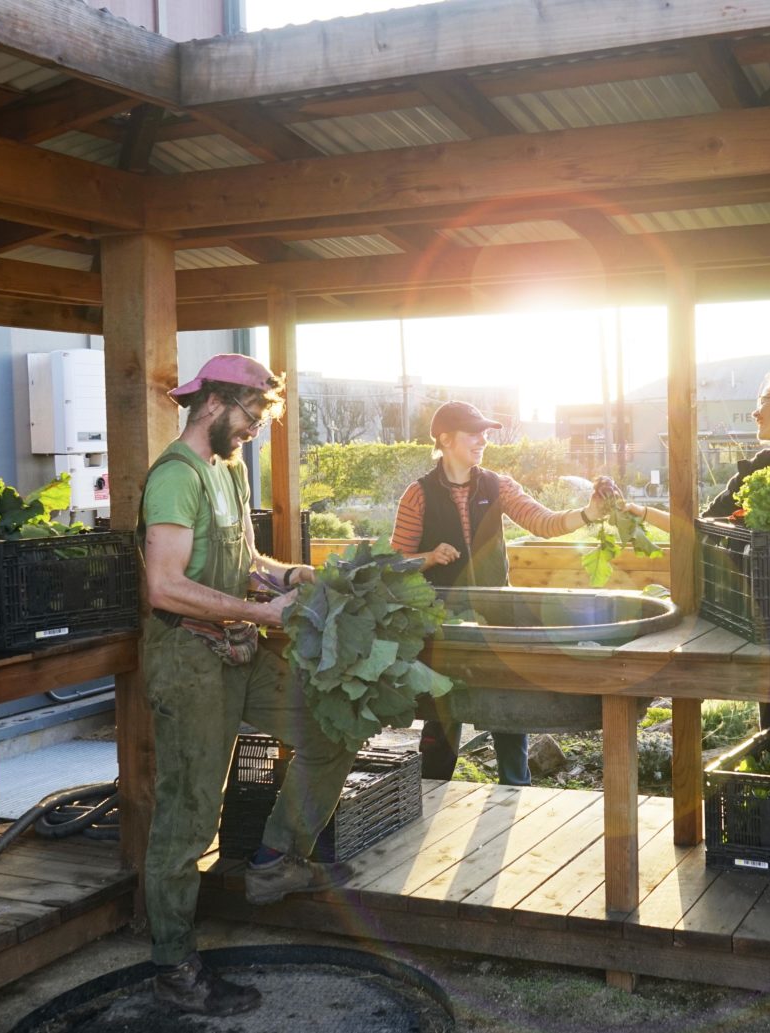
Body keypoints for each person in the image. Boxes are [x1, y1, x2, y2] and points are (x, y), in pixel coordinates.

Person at [141, 354, 357, 1016]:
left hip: (239, 647)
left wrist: (288, 575)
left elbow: (244, 560)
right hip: (189, 658)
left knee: (328, 729)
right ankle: (175, 967)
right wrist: (262, 612)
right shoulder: (175, 478)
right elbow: (165, 584)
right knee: (189, 815)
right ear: (214, 404)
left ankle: (275, 858)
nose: (257, 428)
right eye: (253, 414)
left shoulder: (229, 470)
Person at [621, 374, 770, 736]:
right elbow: (699, 527)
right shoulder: (758, 469)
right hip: (766, 622)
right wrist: (639, 512)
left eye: (762, 401)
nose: (754, 412)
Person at [391, 400, 609, 784]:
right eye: (473, 432)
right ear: (445, 438)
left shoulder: (498, 485)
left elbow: (543, 522)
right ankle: (428, 793)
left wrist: (589, 513)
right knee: (443, 714)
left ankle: (516, 790)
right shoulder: (418, 494)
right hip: (443, 623)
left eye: (485, 433)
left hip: (495, 614)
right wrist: (427, 557)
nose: (483, 440)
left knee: (509, 708)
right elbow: (393, 564)